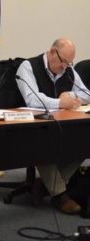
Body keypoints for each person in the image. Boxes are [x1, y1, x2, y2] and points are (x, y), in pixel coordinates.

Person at [16, 38, 90, 214]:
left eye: (69, 63)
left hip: (62, 125)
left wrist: (71, 95)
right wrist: (61, 103)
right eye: (63, 61)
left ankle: (44, 185)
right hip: (32, 127)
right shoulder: (28, 67)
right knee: (45, 144)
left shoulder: (68, 69)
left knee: (85, 143)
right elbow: (32, 99)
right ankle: (59, 194)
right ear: (51, 52)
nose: (65, 67)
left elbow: (87, 94)